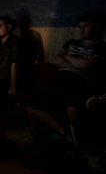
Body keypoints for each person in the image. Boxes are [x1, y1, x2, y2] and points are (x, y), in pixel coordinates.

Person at [27, 11, 106, 146]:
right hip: (59, 79)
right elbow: (56, 60)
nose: (82, 30)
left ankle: (82, 141)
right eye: (80, 26)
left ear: (96, 27)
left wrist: (67, 57)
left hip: (79, 82)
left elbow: (87, 66)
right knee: (30, 107)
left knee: (73, 111)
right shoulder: (71, 42)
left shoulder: (101, 47)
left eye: (86, 26)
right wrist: (77, 61)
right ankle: (64, 131)